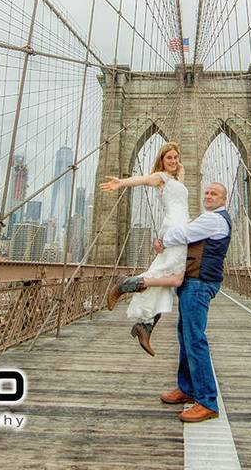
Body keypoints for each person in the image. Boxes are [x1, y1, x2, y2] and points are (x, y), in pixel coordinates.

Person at [99, 142, 189, 356]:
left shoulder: (176, 178)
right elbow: (143, 179)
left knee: (167, 278)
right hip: (176, 230)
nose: (174, 161)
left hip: (179, 229)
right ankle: (126, 284)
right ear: (161, 161)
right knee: (175, 277)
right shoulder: (161, 177)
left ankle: (145, 326)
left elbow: (178, 202)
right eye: (169, 158)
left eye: (176, 157)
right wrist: (121, 182)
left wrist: (160, 237)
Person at [153, 182, 230, 423]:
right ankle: (187, 388)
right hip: (192, 283)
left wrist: (162, 239)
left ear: (223, 199)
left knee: (195, 340)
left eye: (214, 193)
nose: (208, 196)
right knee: (185, 338)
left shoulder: (215, 220)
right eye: (206, 192)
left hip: (199, 284)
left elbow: (184, 233)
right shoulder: (208, 218)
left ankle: (207, 400)